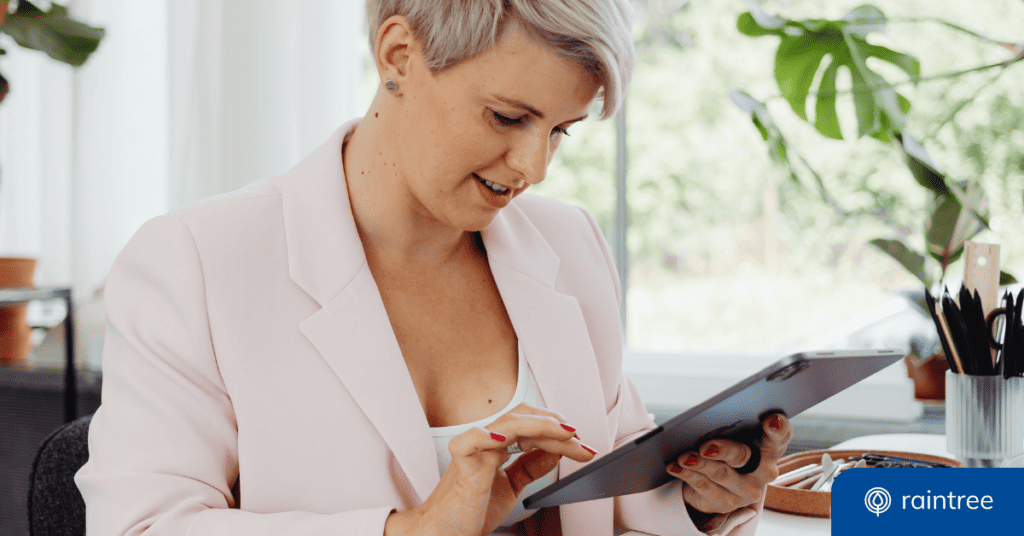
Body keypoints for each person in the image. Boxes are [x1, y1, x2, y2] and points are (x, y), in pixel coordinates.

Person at [75, 1, 793, 535]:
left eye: (559, 132)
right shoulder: (195, 263)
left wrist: (699, 501)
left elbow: (616, 491)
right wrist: (406, 532)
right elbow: (141, 526)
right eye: (509, 118)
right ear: (397, 56)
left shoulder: (569, 244)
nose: (533, 167)